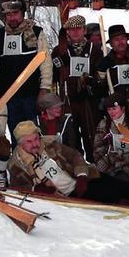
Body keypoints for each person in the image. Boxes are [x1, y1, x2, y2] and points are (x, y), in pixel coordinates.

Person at [7, 120, 129, 204]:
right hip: (68, 195)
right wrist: (36, 189)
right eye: (29, 142)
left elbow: (74, 155)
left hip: (80, 180)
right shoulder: (17, 164)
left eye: (36, 139)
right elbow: (16, 189)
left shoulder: (49, 144)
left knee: (119, 185)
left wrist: (82, 176)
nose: (35, 144)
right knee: (109, 194)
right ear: (20, 144)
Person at [0, 0, 52, 138]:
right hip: (9, 96)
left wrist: (44, 89)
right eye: (8, 14)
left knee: (33, 134)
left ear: (23, 13)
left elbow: (46, 63)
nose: (12, 17)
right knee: (15, 134)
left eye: (15, 13)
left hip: (31, 95)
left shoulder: (36, 33)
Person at [52, 15, 102, 161]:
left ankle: (94, 169)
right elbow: (53, 76)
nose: (75, 33)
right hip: (68, 102)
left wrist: (91, 84)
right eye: (71, 30)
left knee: (91, 137)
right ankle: (76, 171)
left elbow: (100, 77)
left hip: (89, 102)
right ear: (67, 32)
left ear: (84, 30)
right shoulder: (59, 51)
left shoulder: (95, 50)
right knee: (71, 139)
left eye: (78, 29)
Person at [96, 25, 129, 112]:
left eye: (122, 38)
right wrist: (101, 71)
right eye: (116, 40)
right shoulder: (106, 62)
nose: (120, 42)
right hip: (118, 110)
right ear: (111, 44)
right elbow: (99, 87)